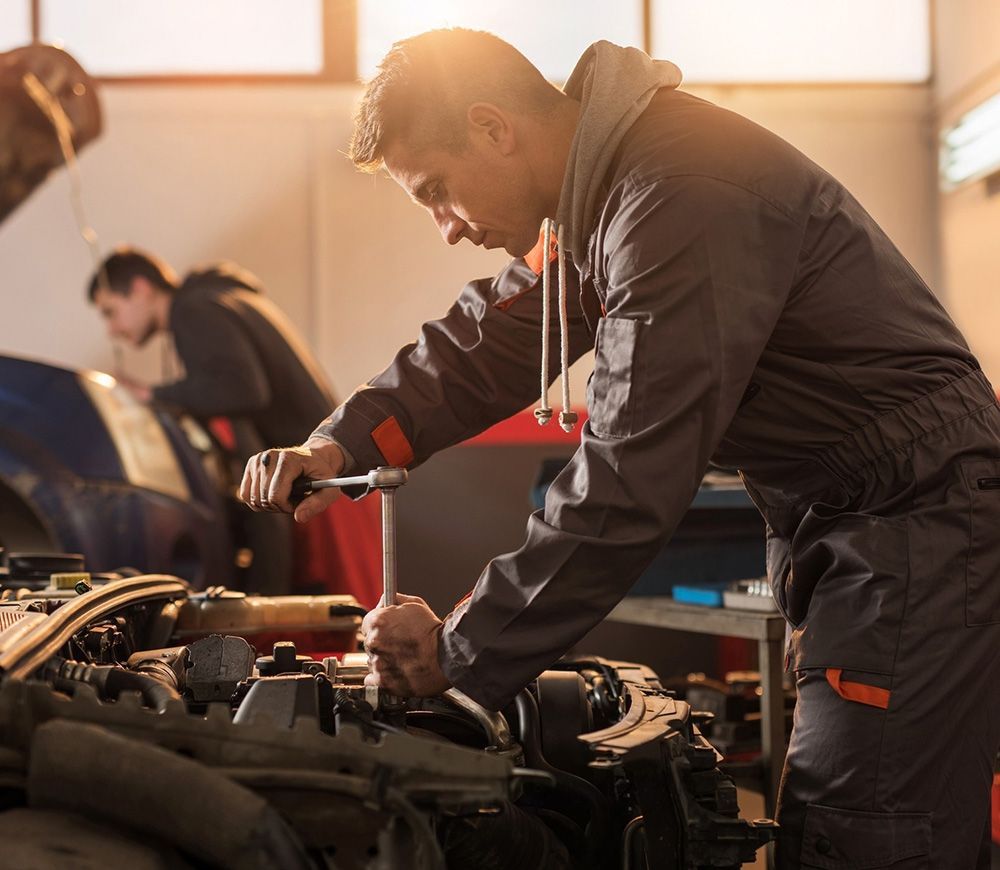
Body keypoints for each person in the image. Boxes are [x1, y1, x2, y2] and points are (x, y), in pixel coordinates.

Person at [239, 29, 1000, 868]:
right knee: (857, 811)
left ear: (493, 128)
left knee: (867, 836)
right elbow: (483, 344)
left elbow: (628, 473)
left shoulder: (676, 194)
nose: (446, 228)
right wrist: (336, 446)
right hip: (856, 517)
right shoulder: (602, 195)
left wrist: (458, 651)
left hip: (912, 516)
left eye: (438, 191)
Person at [88, 247, 380, 602]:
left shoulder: (193, 310)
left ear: (140, 288)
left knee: (336, 627)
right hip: (330, 473)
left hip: (319, 483)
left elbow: (242, 389)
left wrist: (149, 394)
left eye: (111, 312)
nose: (112, 330)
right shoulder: (218, 299)